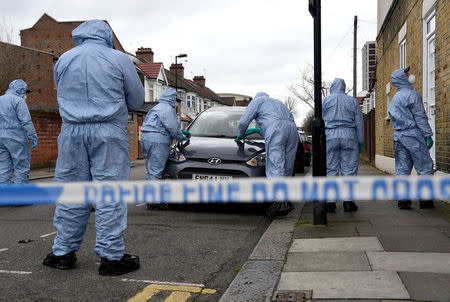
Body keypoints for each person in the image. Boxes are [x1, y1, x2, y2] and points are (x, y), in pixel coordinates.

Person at [42, 20, 144, 276]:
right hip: (108, 130)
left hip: (71, 130)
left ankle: (63, 252)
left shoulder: (64, 59)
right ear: (107, 36)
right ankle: (110, 257)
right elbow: (137, 100)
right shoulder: (119, 59)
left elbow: (61, 94)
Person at [236, 92, 299, 217]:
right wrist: (258, 130)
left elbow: (244, 121)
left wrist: (241, 133)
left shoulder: (257, 101)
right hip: (292, 129)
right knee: (287, 166)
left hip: (276, 130)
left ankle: (280, 202)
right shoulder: (278, 102)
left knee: (276, 165)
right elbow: (279, 121)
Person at [388, 67, 434, 209]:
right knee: (424, 166)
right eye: (406, 74)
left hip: (399, 135)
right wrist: (427, 134)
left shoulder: (395, 98)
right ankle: (425, 199)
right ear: (402, 78)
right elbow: (420, 117)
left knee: (402, 168)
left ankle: (403, 199)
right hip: (412, 135)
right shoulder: (412, 95)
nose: (409, 75)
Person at [322, 78, 364, 213]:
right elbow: (359, 122)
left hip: (330, 135)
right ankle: (348, 202)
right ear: (344, 87)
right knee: (349, 169)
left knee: (330, 169)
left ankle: (330, 203)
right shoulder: (352, 101)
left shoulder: (326, 101)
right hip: (349, 134)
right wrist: (361, 141)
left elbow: (320, 119)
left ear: (332, 87)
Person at [140, 88, 190, 182]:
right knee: (156, 171)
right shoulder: (167, 109)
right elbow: (173, 128)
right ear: (171, 98)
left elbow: (158, 124)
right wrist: (181, 137)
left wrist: (180, 132)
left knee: (150, 169)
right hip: (158, 140)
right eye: (175, 99)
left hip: (145, 138)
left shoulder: (155, 108)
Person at [0, 79, 38, 185]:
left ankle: (4, 196)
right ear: (21, 90)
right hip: (16, 138)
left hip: (1, 139)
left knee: (3, 168)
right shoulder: (18, 101)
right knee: (21, 167)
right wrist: (33, 137)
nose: (26, 95)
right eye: (25, 92)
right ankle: (20, 196)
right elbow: (26, 121)